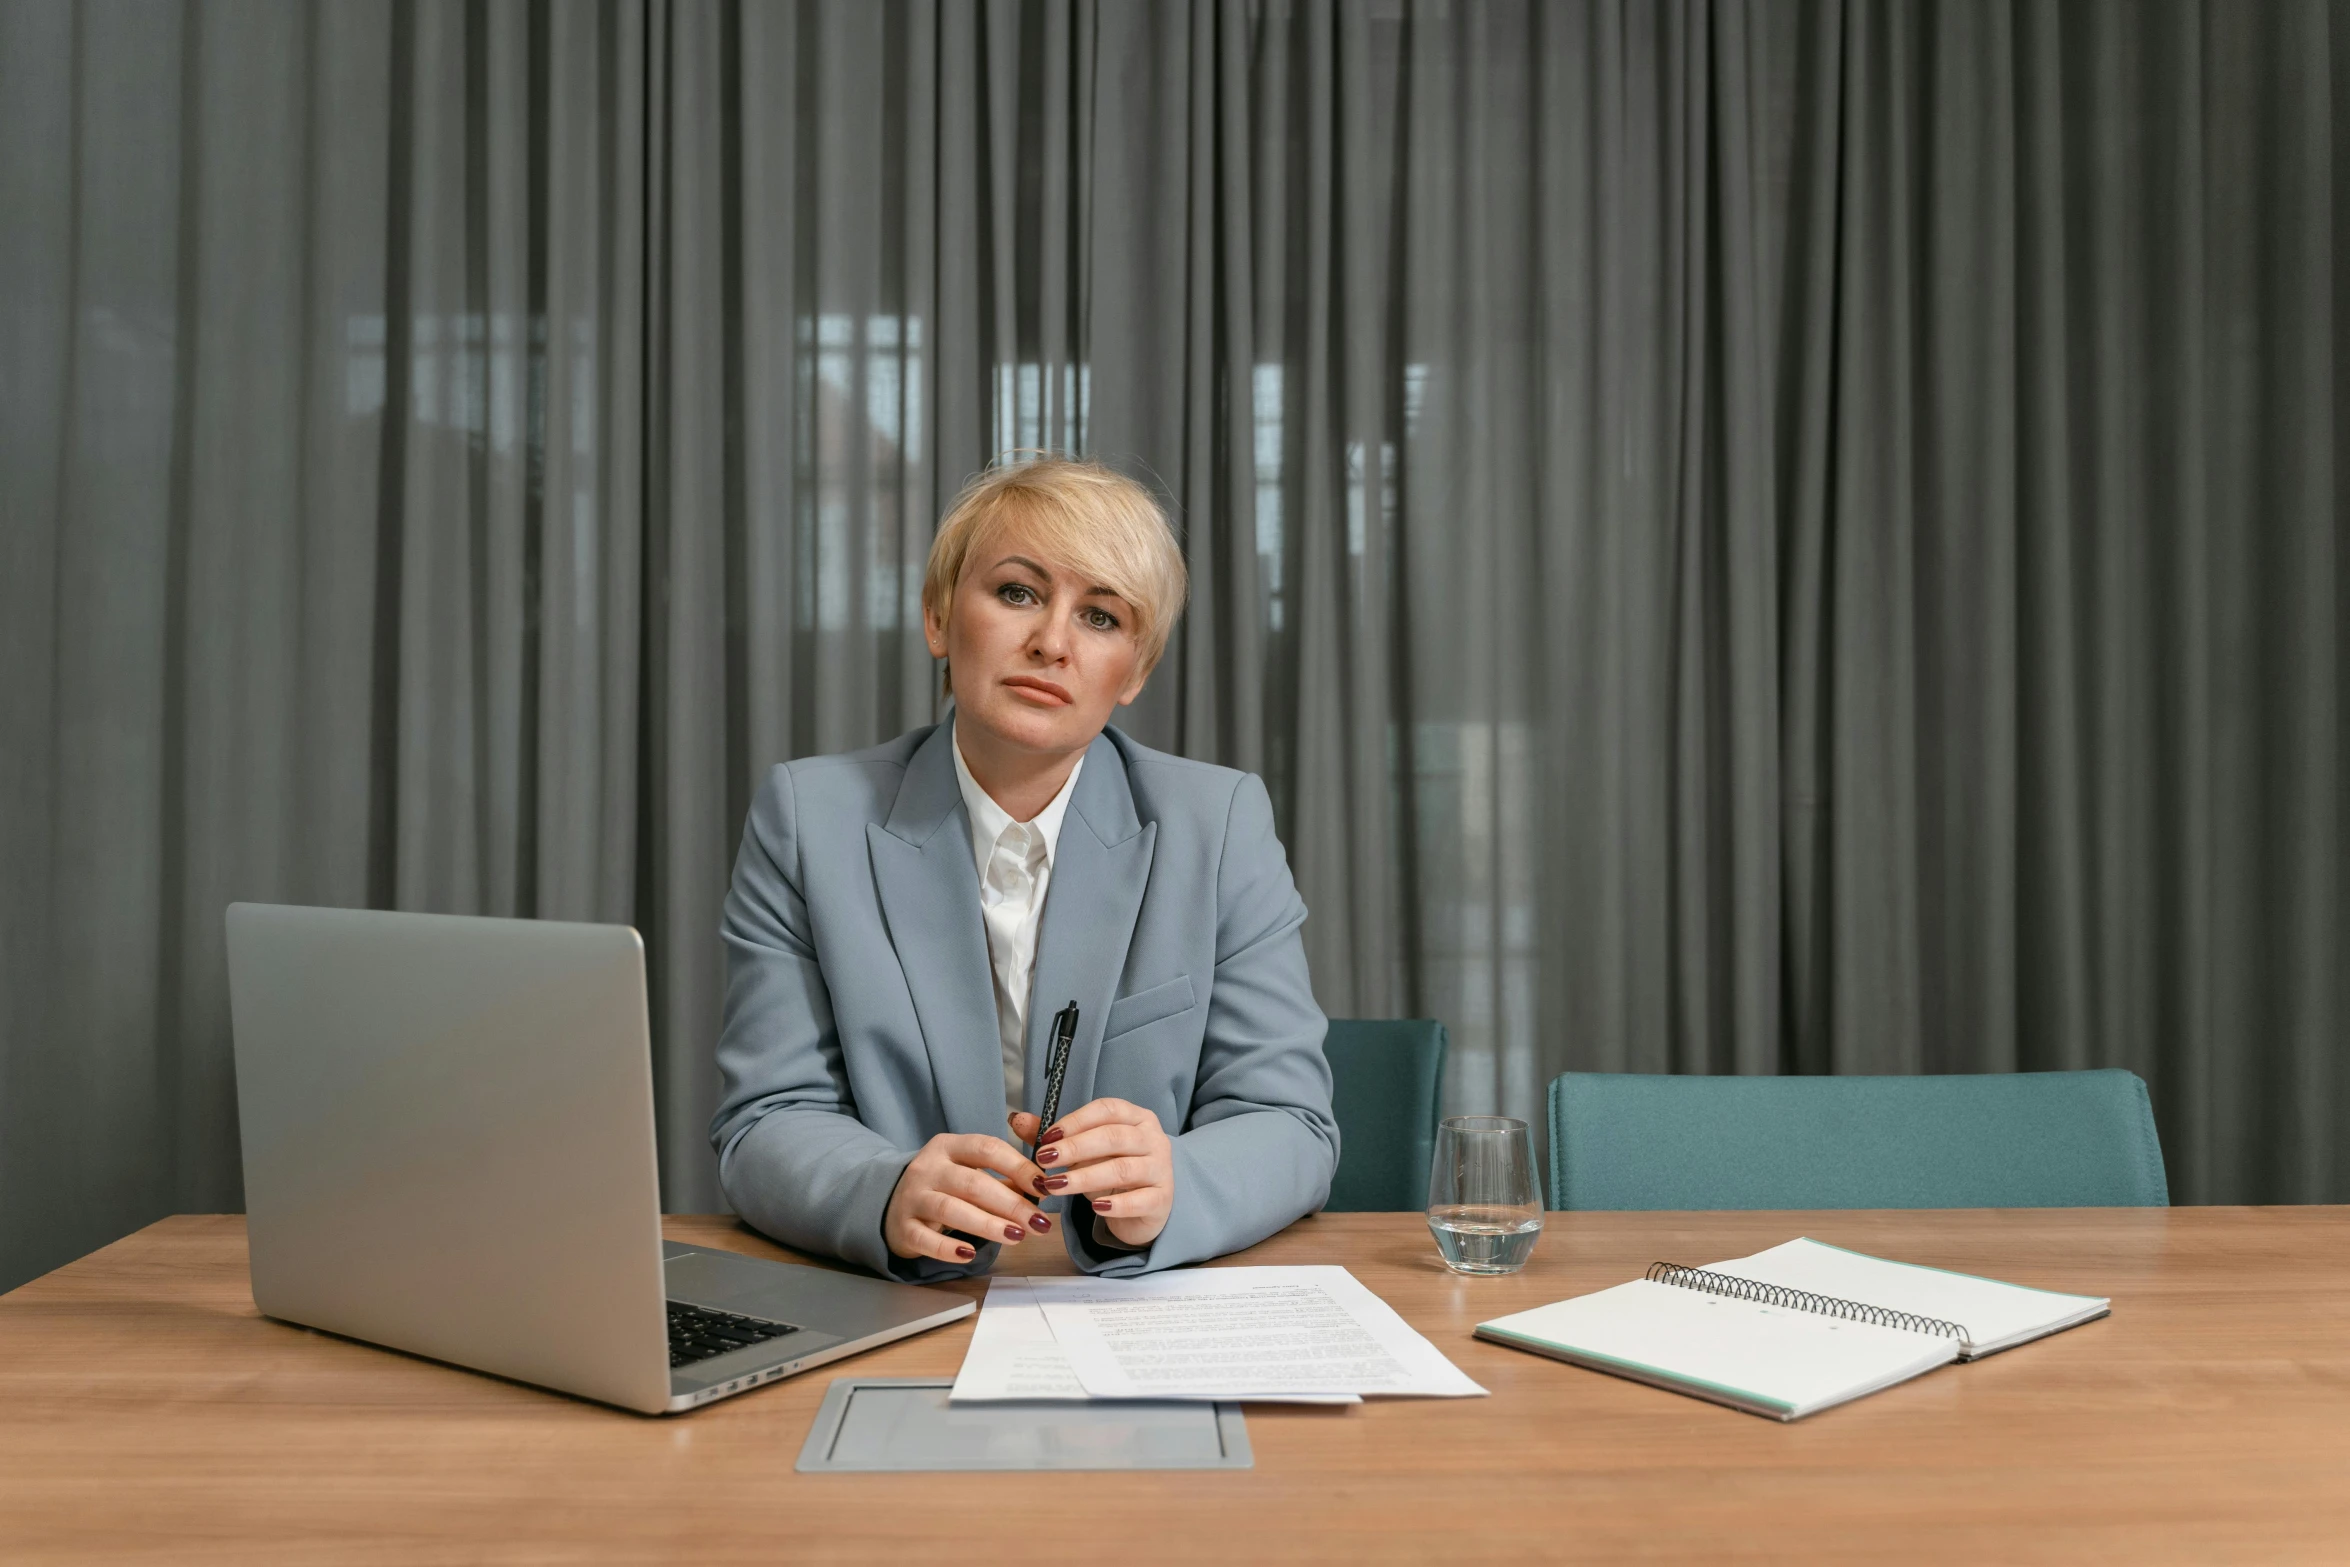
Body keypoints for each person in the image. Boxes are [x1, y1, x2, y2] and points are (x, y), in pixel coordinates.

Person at [709, 455, 1337, 1280]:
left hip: (1129, 1313)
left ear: (1136, 671)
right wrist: (886, 1189)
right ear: (938, 617)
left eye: (1102, 617)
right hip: (898, 1306)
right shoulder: (806, 819)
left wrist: (1172, 1186)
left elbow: (1292, 1122)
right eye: (1018, 593)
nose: (1051, 642)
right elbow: (766, 1118)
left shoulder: (1217, 825)